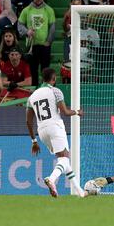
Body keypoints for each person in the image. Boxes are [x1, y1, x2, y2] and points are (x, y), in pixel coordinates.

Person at [26, 68, 85, 198]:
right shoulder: (55, 91)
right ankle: (52, 179)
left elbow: (28, 121)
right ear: (54, 79)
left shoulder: (32, 96)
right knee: (64, 159)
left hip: (41, 131)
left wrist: (34, 141)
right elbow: (65, 112)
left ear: (42, 79)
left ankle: (80, 191)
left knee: (64, 160)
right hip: (55, 127)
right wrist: (77, 112)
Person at [18, 0, 55, 87]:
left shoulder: (49, 10)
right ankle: (34, 92)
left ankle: (45, 90)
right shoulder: (26, 10)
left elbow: (52, 26)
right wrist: (27, 31)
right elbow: (20, 24)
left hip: (45, 45)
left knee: (46, 70)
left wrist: (49, 41)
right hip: (31, 46)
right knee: (32, 70)